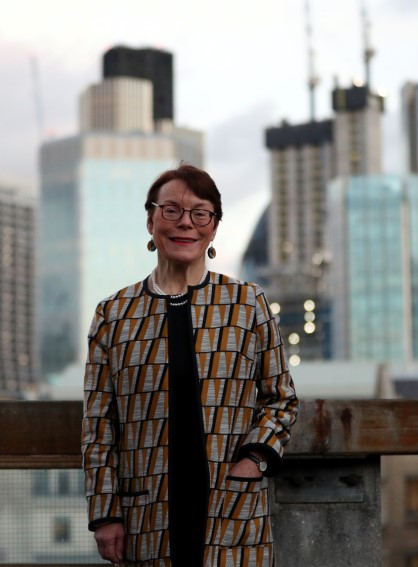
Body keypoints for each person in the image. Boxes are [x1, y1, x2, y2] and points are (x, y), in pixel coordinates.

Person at [81, 164, 299, 566]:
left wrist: (254, 461)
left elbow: (282, 399)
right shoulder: (113, 314)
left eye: (200, 213)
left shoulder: (247, 303)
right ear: (150, 220)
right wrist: (105, 513)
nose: (186, 223)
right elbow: (98, 425)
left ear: (213, 228)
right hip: (145, 512)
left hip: (230, 508)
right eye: (171, 210)